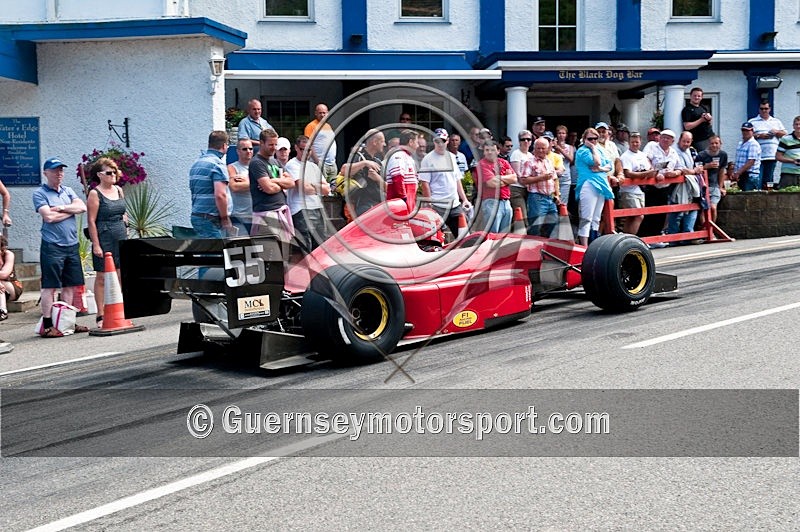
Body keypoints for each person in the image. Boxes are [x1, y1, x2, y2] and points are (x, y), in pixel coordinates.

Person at [32, 157, 90, 337]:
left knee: (70, 286)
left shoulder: (68, 190)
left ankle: (67, 322)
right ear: (45, 173)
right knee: (49, 286)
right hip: (52, 245)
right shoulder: (39, 193)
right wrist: (69, 211)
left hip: (71, 244)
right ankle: (48, 325)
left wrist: (61, 208)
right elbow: (48, 217)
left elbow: (82, 207)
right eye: (55, 170)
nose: (59, 174)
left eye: (61, 170)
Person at [86, 157, 128, 327]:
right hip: (104, 236)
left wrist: (126, 225)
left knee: (120, 274)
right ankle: (100, 313)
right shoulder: (95, 194)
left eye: (115, 171)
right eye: (109, 172)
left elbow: (123, 212)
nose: (113, 175)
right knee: (102, 276)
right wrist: (96, 244)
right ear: (100, 175)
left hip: (120, 234)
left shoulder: (119, 190)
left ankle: (120, 309)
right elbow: (91, 221)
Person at [418, 128, 471, 237]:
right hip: (437, 205)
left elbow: (457, 179)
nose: (440, 144)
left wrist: (464, 199)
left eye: (443, 141)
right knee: (436, 238)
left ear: (447, 141)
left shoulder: (452, 157)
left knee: (464, 236)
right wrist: (429, 204)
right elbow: (425, 183)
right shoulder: (427, 159)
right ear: (434, 142)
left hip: (455, 204)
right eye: (437, 141)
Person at [249, 128, 295, 244]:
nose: (274, 148)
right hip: (266, 214)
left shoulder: (275, 161)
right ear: (261, 143)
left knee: (283, 252)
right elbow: (268, 189)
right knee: (271, 254)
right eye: (270, 144)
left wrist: (273, 180)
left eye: (275, 144)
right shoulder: (257, 162)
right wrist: (281, 184)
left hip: (281, 211)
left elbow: (291, 183)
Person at [285, 134, 331, 250]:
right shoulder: (292, 165)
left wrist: (312, 185)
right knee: (305, 247)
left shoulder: (314, 166)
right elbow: (304, 188)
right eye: (302, 149)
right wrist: (317, 186)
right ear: (296, 148)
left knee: (321, 246)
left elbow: (327, 190)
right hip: (301, 209)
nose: (306, 153)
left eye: (309, 150)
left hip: (317, 208)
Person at [574, 128, 614, 246]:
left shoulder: (600, 150)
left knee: (596, 217)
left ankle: (593, 243)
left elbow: (609, 165)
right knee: (587, 217)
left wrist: (600, 169)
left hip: (601, 184)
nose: (593, 141)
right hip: (588, 183)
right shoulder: (582, 151)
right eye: (590, 139)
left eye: (595, 138)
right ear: (584, 139)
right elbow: (596, 162)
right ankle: (584, 246)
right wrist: (592, 148)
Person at [189, 130, 232, 238]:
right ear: (224, 145)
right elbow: (220, 195)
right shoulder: (217, 165)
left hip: (197, 216)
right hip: (211, 219)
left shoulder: (197, 163)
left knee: (206, 252)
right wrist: (225, 218)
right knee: (218, 252)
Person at [339, 129, 386, 216]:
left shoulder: (378, 162)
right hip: (361, 206)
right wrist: (365, 163)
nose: (384, 144)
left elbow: (387, 187)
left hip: (378, 205)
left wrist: (378, 179)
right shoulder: (358, 157)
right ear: (375, 142)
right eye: (382, 141)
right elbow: (343, 170)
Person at [619, 132, 658, 235]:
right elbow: (628, 173)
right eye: (632, 142)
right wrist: (646, 173)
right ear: (629, 143)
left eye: (637, 142)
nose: (635, 144)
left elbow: (649, 169)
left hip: (640, 190)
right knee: (638, 215)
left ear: (640, 142)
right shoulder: (626, 156)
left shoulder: (642, 155)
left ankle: (625, 237)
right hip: (629, 190)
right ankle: (632, 239)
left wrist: (652, 173)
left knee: (632, 216)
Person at [667, 131, 703, 239]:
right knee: (676, 211)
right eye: (684, 141)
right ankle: (673, 237)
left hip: (690, 185)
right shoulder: (675, 152)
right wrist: (695, 171)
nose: (686, 144)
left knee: (692, 208)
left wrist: (695, 170)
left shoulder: (690, 151)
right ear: (679, 140)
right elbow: (682, 169)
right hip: (677, 186)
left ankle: (688, 235)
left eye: (688, 141)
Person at [521, 137, 559, 237]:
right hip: (537, 198)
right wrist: (541, 177)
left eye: (543, 148)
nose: (541, 150)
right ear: (534, 148)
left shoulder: (549, 161)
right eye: (538, 148)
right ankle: (531, 249)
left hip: (550, 198)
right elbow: (524, 180)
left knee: (553, 224)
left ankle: (546, 248)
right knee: (535, 227)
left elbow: (555, 179)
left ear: (548, 149)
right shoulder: (529, 161)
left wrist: (557, 194)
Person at [476, 140, 516, 233]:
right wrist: (507, 179)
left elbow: (514, 178)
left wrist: (498, 178)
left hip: (506, 201)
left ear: (498, 151)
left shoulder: (504, 162)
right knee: (492, 236)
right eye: (487, 150)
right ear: (484, 151)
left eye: (492, 150)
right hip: (491, 202)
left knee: (504, 236)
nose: (490, 152)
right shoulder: (481, 164)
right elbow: (492, 183)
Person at [750, 101, 787, 189]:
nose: (764, 111)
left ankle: (767, 200)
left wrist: (777, 132)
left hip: (771, 155)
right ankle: (757, 198)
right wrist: (759, 136)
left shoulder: (776, 121)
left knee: (768, 180)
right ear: (759, 109)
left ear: (769, 109)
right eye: (762, 109)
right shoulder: (752, 121)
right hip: (758, 156)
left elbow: (785, 134)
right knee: (757, 179)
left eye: (766, 108)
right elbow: (747, 136)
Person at [695, 135, 728, 223]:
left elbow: (721, 171)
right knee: (704, 209)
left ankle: (711, 230)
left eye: (716, 143)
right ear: (708, 144)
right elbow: (696, 171)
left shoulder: (723, 155)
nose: (714, 145)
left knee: (713, 207)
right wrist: (707, 166)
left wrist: (721, 187)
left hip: (715, 185)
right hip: (703, 185)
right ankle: (704, 230)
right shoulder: (701, 155)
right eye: (712, 143)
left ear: (720, 144)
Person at [385, 129, 419, 212]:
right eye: (416, 142)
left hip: (407, 204)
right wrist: (403, 199)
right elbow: (397, 179)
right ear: (410, 142)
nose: (418, 146)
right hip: (400, 206)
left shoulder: (408, 157)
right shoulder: (398, 155)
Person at [303, 103, 338, 182]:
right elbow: (309, 145)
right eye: (320, 113)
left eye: (324, 113)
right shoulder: (311, 126)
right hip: (320, 163)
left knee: (333, 188)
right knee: (321, 187)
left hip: (332, 163)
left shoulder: (328, 126)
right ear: (316, 113)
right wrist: (318, 162)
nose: (322, 115)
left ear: (327, 113)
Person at [227, 138, 254, 236]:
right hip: (239, 216)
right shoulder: (232, 167)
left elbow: (268, 184)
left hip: (256, 216)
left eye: (250, 149)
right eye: (244, 149)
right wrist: (257, 183)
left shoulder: (257, 166)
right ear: (238, 151)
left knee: (257, 248)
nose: (248, 151)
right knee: (240, 248)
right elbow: (235, 187)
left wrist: (246, 182)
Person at [509, 130, 535, 227]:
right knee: (521, 216)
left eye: (528, 139)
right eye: (523, 139)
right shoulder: (516, 154)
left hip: (528, 189)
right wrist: (531, 183)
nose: (526, 141)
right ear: (519, 141)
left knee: (527, 216)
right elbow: (518, 175)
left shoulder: (530, 155)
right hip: (517, 189)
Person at [681, 87, 714, 151]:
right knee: (704, 158)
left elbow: (709, 123)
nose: (696, 97)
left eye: (699, 96)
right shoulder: (687, 110)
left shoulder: (703, 107)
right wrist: (701, 120)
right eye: (695, 96)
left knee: (715, 156)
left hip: (711, 136)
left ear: (701, 97)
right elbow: (687, 126)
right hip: (699, 140)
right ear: (690, 96)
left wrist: (709, 119)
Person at [732, 121, 762, 192]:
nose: (745, 132)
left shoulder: (753, 144)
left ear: (752, 131)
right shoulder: (740, 144)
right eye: (743, 130)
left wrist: (738, 173)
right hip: (742, 176)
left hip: (750, 176)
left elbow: (751, 162)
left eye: (747, 130)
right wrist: (735, 173)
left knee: (749, 199)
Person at [0, 235, 22, 321]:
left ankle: (3, 310)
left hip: (11, 285)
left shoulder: (9, 254)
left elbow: (4, 274)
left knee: (1, 281)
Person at [776, 115, 800, 188]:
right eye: (796, 124)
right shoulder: (785, 139)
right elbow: (778, 157)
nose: (798, 126)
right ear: (793, 126)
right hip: (788, 174)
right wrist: (793, 161)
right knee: (785, 197)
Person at [553, 125, 575, 204]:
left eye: (563, 133)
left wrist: (559, 148)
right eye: (559, 133)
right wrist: (555, 147)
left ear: (566, 135)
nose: (561, 135)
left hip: (566, 177)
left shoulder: (570, 147)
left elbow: (571, 159)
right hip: (555, 177)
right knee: (554, 200)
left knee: (563, 202)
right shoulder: (552, 147)